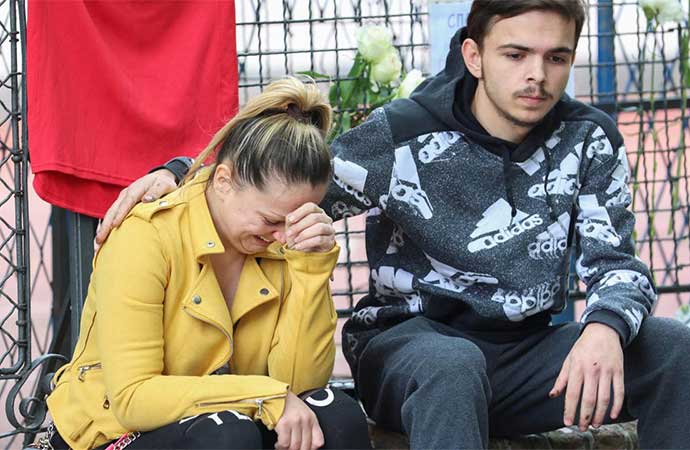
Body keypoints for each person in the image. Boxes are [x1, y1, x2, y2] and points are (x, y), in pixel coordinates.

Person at [96, 1, 690, 449]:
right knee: (453, 365)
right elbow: (284, 179)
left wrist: (605, 326)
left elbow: (616, 264)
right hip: (410, 346)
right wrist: (183, 173)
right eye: (516, 54)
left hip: (527, 356)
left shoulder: (588, 139)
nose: (537, 75)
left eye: (556, 57)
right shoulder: (402, 131)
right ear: (474, 55)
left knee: (673, 347)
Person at [45, 78, 372, 450]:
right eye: (271, 220)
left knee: (335, 415)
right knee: (226, 434)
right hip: (114, 431)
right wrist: (262, 396)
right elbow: (133, 397)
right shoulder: (146, 236)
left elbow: (298, 388)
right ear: (223, 181)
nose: (283, 236)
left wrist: (311, 268)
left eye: (295, 221)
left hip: (228, 421)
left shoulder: (287, 244)